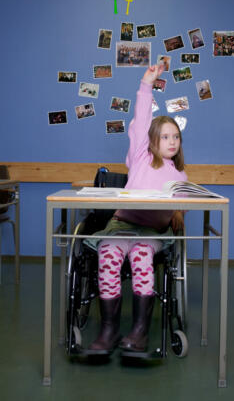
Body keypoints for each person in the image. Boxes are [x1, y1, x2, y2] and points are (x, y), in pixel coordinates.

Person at [86, 64, 188, 354]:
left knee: (142, 256)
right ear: (152, 141)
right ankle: (109, 331)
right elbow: (141, 121)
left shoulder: (179, 175)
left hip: (151, 231)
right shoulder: (140, 157)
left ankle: (140, 331)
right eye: (165, 136)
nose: (171, 141)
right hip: (122, 225)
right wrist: (146, 85)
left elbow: (182, 202)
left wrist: (180, 211)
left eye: (176, 137)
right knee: (107, 253)